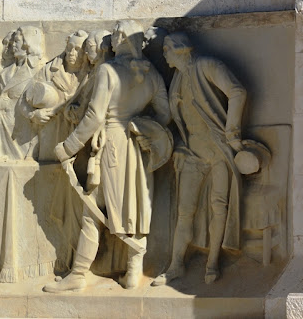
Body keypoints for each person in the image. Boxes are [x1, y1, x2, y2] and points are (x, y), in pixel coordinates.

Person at [45, 20, 170, 292]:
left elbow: (94, 116)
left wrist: (68, 147)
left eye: (114, 36)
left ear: (122, 39)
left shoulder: (108, 71)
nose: (111, 41)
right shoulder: (152, 75)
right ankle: (133, 272)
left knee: (93, 209)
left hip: (112, 145)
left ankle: (78, 273)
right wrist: (143, 126)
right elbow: (165, 113)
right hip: (137, 147)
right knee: (136, 207)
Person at [152, 33, 246, 286]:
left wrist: (232, 132)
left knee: (219, 206)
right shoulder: (177, 78)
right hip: (192, 151)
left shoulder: (207, 65)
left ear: (181, 50)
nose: (164, 54)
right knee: (184, 212)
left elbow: (237, 91)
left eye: (167, 49)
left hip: (218, 149)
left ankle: (213, 262)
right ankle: (175, 265)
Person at [23, 30, 89, 161]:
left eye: (77, 49)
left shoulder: (91, 73)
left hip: (79, 140)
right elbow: (24, 100)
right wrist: (33, 115)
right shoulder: (49, 70)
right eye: (69, 48)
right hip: (51, 136)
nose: (71, 53)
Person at [0, 26, 44, 160]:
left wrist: (7, 104)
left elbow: (41, 102)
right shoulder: (6, 71)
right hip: (1, 130)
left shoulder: (38, 70)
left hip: (22, 135)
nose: (13, 45)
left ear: (28, 43)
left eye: (17, 41)